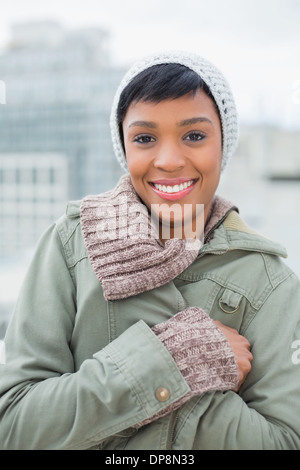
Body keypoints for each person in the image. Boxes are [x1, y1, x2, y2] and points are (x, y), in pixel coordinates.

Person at [0, 50, 299, 451]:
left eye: (194, 135)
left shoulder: (270, 282)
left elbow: (283, 441)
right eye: (145, 138)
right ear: (124, 147)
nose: (170, 160)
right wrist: (176, 357)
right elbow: (15, 425)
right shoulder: (70, 245)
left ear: (223, 142)